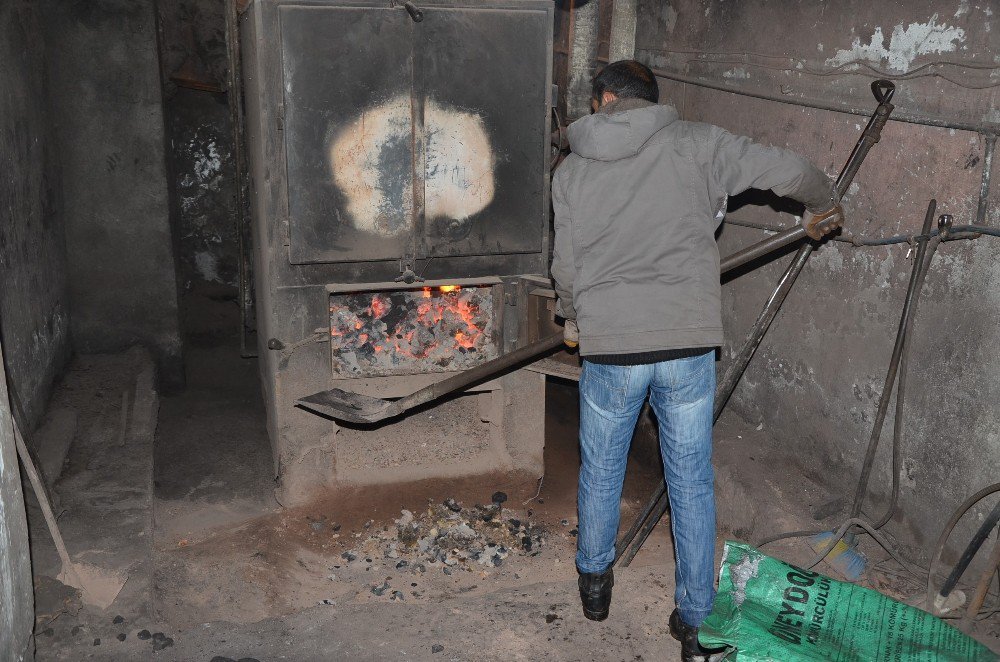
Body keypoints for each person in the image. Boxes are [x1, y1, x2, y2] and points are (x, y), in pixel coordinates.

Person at [550, 60, 843, 661]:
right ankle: (694, 624)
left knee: (601, 466)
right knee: (689, 478)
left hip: (613, 346)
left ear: (605, 99)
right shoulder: (700, 144)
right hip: (686, 344)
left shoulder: (571, 172)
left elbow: (568, 266)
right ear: (653, 101)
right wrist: (824, 203)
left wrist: (573, 318)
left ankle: (595, 586)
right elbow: (788, 170)